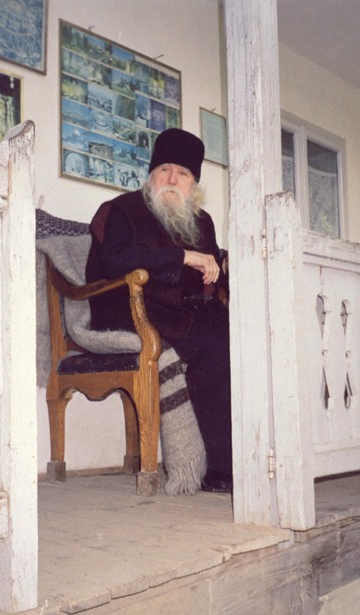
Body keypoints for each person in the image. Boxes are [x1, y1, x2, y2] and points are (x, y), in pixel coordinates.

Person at [85, 128, 232, 493]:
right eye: (165, 169)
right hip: (129, 307)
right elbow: (115, 259)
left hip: (184, 311)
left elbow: (212, 271)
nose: (172, 179)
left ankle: (253, 456)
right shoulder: (123, 209)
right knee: (214, 345)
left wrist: (225, 269)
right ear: (151, 174)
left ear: (193, 184)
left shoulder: (202, 221)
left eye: (182, 174)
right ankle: (220, 470)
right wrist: (183, 257)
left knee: (246, 337)